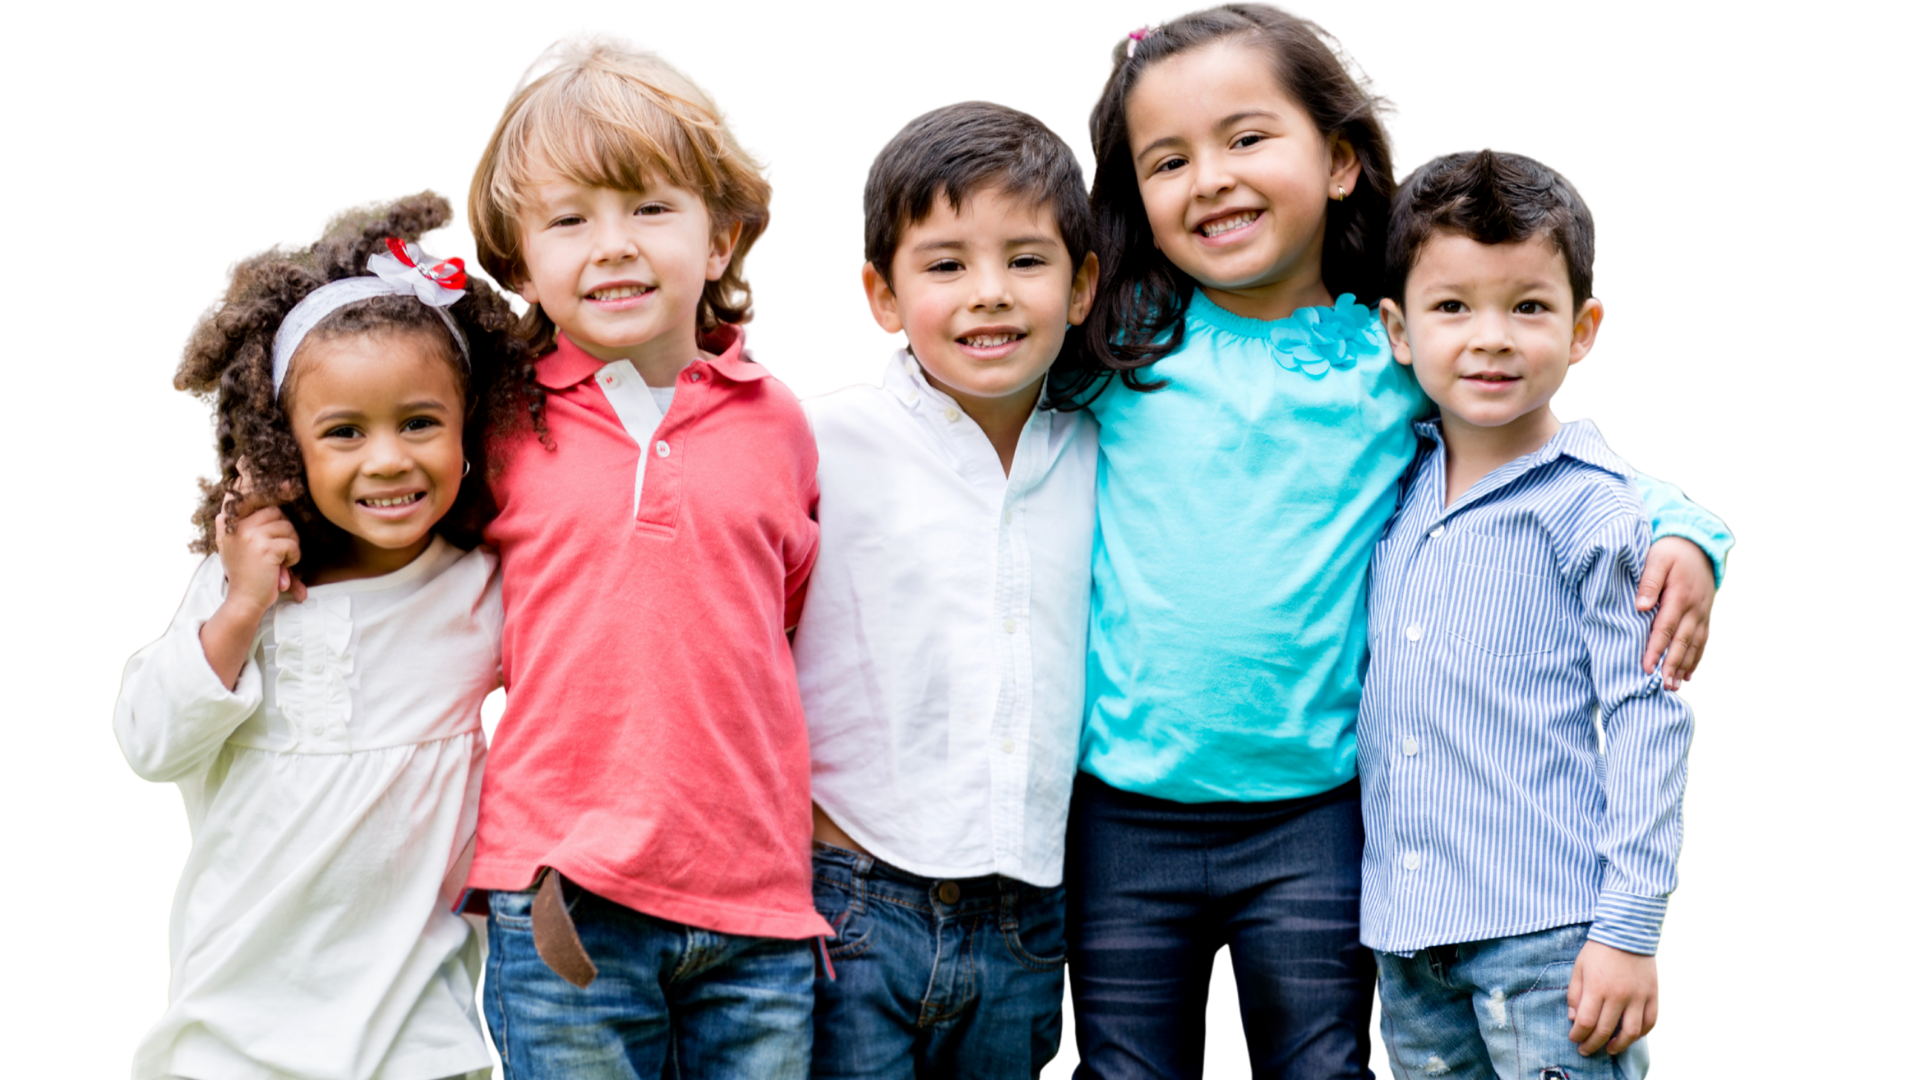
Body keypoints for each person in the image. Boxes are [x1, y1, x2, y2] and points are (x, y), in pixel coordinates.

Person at [1046, 6, 1734, 1077]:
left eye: (1246, 138)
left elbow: (1555, 456)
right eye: (1167, 159)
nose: (1211, 178)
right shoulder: (1116, 351)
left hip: (1318, 818)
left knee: (1326, 1061)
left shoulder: (1397, 348)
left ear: (1337, 159)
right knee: (1120, 1064)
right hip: (1123, 817)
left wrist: (1688, 519)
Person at [458, 28, 825, 1080]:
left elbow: (783, 620)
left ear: (720, 240)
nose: (611, 244)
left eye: (649, 207)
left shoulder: (781, 422)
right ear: (522, 267)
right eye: (569, 220)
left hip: (756, 910)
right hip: (563, 904)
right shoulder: (498, 428)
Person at [113, 188, 515, 1080]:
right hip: (229, 1039)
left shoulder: (483, 584)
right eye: (344, 432)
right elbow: (146, 745)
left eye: (419, 423)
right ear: (287, 443)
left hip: (419, 1038)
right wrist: (241, 608)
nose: (387, 459)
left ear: (468, 430)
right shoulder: (242, 586)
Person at [1363, 147, 1684, 1080]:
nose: (1491, 338)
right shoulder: (1392, 486)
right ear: (1397, 329)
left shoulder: (1599, 509)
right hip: (1407, 939)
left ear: (1584, 330)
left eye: (1528, 307)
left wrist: (1628, 930)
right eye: (1453, 307)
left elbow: (1647, 718)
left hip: (1551, 939)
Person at [796, 99, 1100, 1079]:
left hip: (1028, 912)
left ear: (1083, 284)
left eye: (1025, 260)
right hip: (850, 899)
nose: (988, 294)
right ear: (880, 296)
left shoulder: (1106, 456)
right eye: (944, 265)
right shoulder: (820, 437)